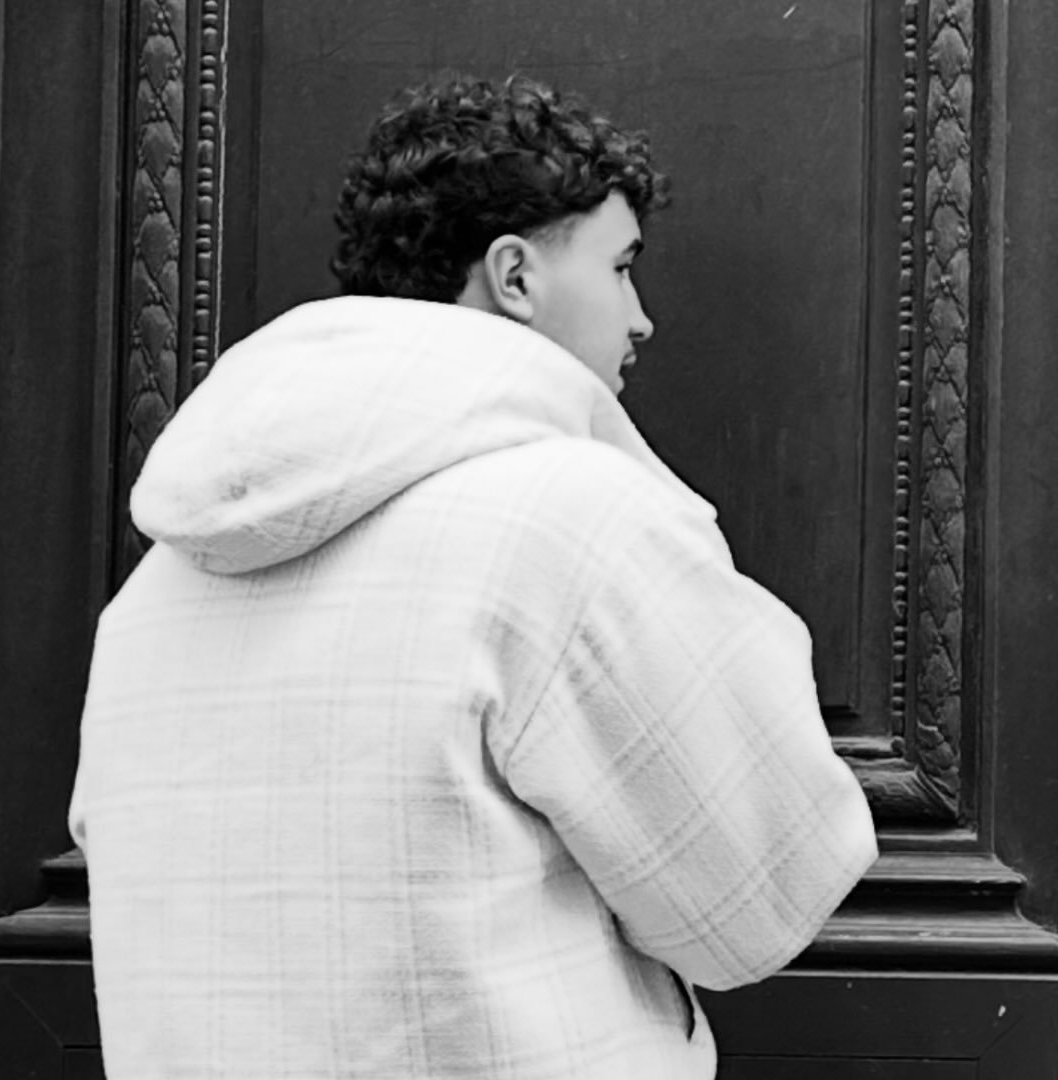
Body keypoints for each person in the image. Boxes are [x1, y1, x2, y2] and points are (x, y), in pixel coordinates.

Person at [69, 73, 877, 1079]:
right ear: (515, 275)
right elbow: (758, 900)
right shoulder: (569, 518)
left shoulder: (163, 579)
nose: (640, 319)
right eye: (621, 266)